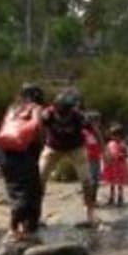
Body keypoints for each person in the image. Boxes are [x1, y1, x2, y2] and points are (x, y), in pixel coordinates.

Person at [0, 84, 46, 241]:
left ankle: (24, 226)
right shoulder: (36, 108)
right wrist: (41, 146)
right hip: (23, 154)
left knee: (15, 190)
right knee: (29, 192)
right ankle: (16, 228)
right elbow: (38, 128)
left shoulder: (12, 109)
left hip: (3, 153)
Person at [38, 89, 97, 226]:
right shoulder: (48, 114)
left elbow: (95, 130)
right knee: (40, 178)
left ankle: (90, 214)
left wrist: (104, 150)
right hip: (53, 147)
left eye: (67, 113)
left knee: (87, 180)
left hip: (76, 148)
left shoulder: (78, 115)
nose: (64, 116)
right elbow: (39, 128)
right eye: (61, 113)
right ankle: (36, 213)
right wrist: (40, 146)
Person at [101, 124, 128, 207]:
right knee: (112, 183)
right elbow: (107, 153)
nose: (114, 137)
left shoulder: (123, 144)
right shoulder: (110, 143)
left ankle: (120, 197)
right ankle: (111, 197)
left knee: (120, 183)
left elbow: (126, 154)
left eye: (116, 135)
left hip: (120, 166)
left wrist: (121, 156)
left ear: (120, 135)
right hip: (112, 165)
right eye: (112, 135)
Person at [82, 111, 104, 205]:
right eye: (96, 121)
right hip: (88, 158)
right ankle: (88, 200)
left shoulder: (97, 133)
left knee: (96, 179)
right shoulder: (84, 132)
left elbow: (101, 145)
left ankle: (93, 199)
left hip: (96, 158)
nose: (98, 123)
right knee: (90, 179)